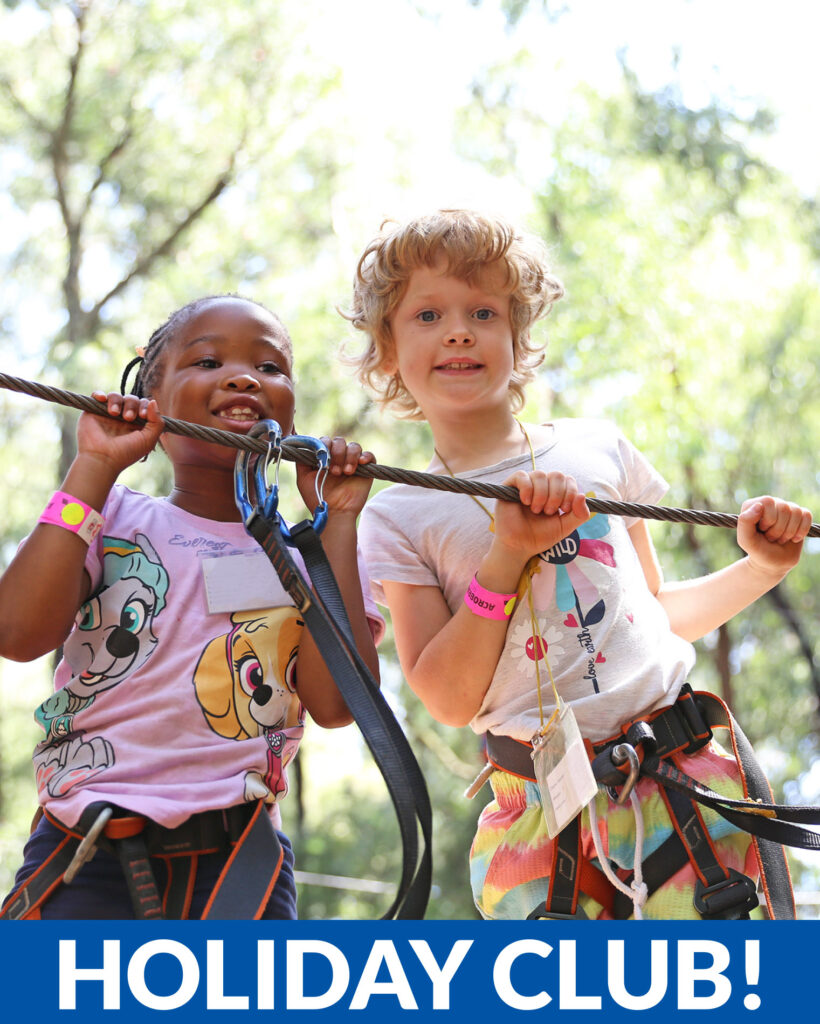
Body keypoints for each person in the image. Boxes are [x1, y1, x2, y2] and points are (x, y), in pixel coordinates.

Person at [346, 208, 813, 920]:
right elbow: (447, 699)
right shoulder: (398, 514)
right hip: (543, 817)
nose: (459, 331)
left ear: (518, 335)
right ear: (386, 350)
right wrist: (507, 555)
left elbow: (658, 616)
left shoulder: (599, 451)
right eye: (428, 315)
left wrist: (761, 569)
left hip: (685, 781)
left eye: (483, 311)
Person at [0, 294, 383, 920]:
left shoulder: (306, 557)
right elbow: (15, 633)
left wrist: (337, 522)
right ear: (153, 396)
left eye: (271, 367)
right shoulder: (112, 515)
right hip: (84, 849)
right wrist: (92, 466)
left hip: (239, 864)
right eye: (207, 361)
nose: (242, 377)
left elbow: (338, 706)